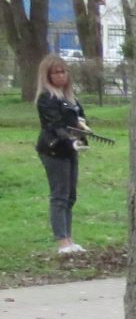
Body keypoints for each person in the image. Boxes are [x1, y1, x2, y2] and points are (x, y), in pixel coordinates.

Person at [34, 55, 89, 256]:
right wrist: (69, 139)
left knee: (70, 195)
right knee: (59, 195)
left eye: (64, 71)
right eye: (56, 72)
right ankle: (62, 243)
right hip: (53, 149)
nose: (61, 75)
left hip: (70, 150)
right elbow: (55, 125)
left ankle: (70, 239)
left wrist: (83, 132)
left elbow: (79, 119)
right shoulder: (47, 98)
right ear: (47, 76)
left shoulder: (70, 98)